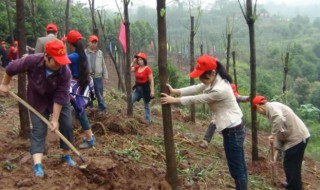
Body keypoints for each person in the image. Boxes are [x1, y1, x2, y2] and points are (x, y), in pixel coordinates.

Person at [160, 54, 247, 189]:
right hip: (233, 128)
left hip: (233, 130)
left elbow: (198, 98)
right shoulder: (214, 80)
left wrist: (174, 100)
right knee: (239, 166)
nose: (201, 79)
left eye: (202, 76)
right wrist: (175, 91)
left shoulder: (220, 89)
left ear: (212, 72)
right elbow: (196, 88)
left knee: (237, 169)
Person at [0, 40, 77, 178]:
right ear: (46, 56)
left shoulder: (65, 72)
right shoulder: (32, 60)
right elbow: (11, 68)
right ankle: (37, 164)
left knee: (66, 124)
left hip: (60, 100)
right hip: (37, 100)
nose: (60, 64)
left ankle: (66, 155)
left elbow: (60, 96)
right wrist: (5, 84)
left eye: (62, 61)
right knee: (39, 129)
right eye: (56, 61)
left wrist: (55, 120)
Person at [252, 95, 310, 190]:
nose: (259, 113)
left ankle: (293, 187)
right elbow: (280, 135)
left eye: (257, 111)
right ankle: (291, 184)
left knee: (291, 166)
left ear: (258, 106)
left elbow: (279, 119)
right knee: (290, 165)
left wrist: (272, 134)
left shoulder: (272, 109)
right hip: (297, 138)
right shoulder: (273, 109)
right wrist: (274, 158)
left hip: (297, 138)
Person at [66, 30, 96, 149]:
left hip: (76, 87)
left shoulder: (74, 56)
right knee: (80, 112)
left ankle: (90, 139)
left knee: (80, 112)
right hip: (81, 85)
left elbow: (61, 60)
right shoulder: (81, 54)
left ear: (70, 43)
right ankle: (90, 136)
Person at [199, 83, 250, 148]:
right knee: (212, 124)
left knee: (239, 128)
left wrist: (248, 98)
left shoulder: (235, 97)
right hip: (223, 115)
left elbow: (241, 98)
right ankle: (206, 141)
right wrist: (214, 118)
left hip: (235, 117)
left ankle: (239, 144)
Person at [85, 35, 108, 112]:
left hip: (98, 77)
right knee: (88, 93)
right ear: (89, 42)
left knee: (99, 93)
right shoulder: (84, 52)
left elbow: (103, 65)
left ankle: (102, 109)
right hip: (88, 77)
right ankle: (90, 109)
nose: (94, 44)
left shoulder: (100, 53)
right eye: (92, 42)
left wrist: (105, 77)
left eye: (95, 42)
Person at [130, 52, 155, 124]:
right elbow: (129, 69)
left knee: (146, 105)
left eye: (141, 59)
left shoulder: (147, 69)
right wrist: (133, 61)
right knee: (130, 101)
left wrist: (152, 91)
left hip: (145, 89)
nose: (139, 61)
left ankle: (148, 120)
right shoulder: (137, 68)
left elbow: (151, 80)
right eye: (138, 60)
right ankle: (130, 115)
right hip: (138, 89)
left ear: (144, 60)